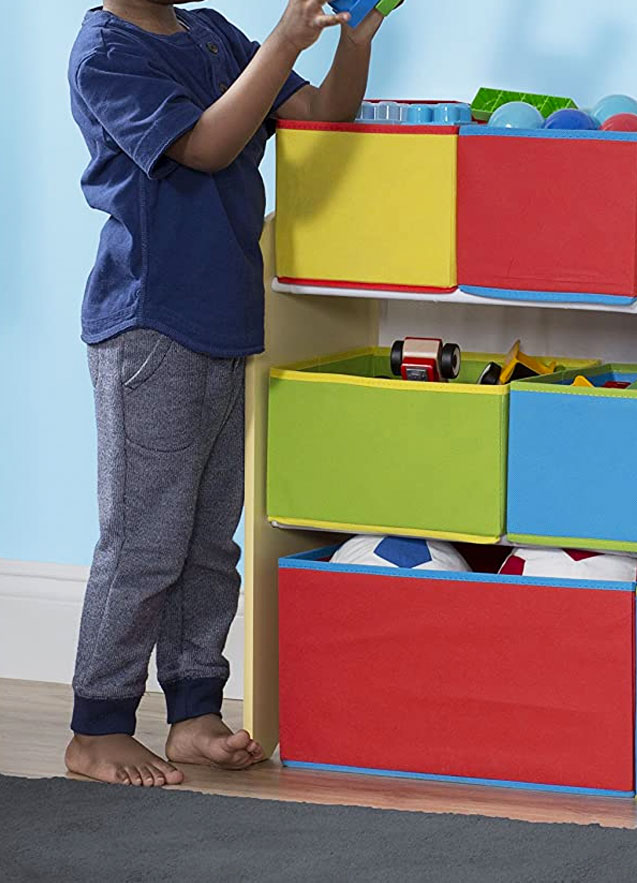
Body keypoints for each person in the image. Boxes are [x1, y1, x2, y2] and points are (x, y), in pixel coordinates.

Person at [65, 0, 387, 786]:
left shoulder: (209, 31)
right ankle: (96, 726)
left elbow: (322, 111)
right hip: (151, 324)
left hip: (227, 319)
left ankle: (193, 709)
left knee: (210, 540)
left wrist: (355, 41)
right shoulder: (105, 52)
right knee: (144, 539)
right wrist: (282, 39)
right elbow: (207, 147)